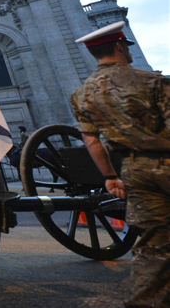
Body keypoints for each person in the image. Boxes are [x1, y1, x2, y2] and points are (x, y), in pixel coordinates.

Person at [70, 21, 169, 307]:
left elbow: (92, 141)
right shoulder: (153, 81)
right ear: (119, 46)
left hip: (134, 171)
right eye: (126, 46)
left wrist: (110, 177)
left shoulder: (81, 94)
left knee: (154, 248)